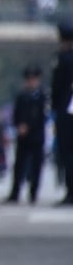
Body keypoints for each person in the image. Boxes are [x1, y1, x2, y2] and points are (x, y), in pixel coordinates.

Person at [5, 64, 47, 204]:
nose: (31, 82)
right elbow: (16, 114)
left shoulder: (42, 97)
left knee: (36, 166)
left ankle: (33, 193)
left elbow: (42, 117)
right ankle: (15, 192)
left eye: (33, 79)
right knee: (19, 165)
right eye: (29, 79)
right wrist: (19, 126)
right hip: (22, 136)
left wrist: (28, 126)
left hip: (36, 136)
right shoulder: (21, 96)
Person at [51, 20, 73, 205]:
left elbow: (57, 88)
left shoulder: (63, 59)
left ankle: (70, 191)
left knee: (67, 152)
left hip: (67, 111)